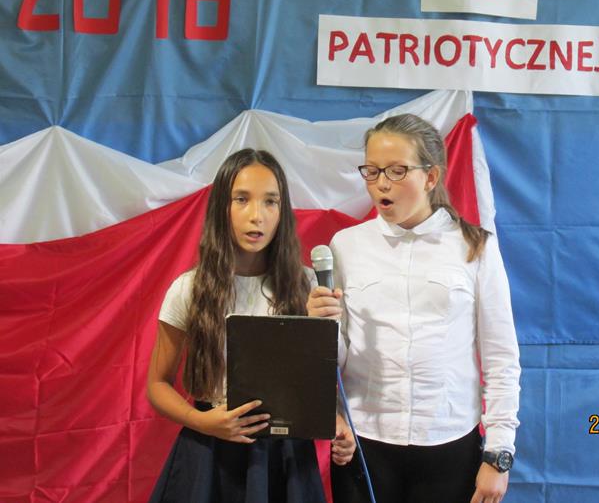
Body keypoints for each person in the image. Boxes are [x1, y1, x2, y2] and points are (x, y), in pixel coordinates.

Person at [307, 114, 521, 503]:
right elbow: (337, 359)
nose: (381, 183)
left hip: (449, 441)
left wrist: (499, 453)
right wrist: (321, 327)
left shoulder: (475, 247)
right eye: (372, 171)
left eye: (397, 170)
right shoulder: (346, 246)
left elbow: (501, 359)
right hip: (365, 442)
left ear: (431, 176)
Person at [148, 148, 355, 503]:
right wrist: (202, 421)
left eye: (270, 201)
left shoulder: (308, 285)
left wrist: (337, 419)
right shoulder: (190, 288)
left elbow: (322, 377)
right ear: (222, 207)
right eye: (242, 199)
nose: (257, 216)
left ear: (282, 211)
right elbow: (157, 385)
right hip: (210, 450)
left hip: (285, 454)